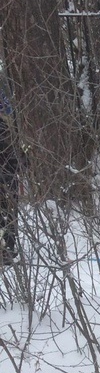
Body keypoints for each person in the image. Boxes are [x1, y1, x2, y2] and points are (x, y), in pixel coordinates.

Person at [0, 89, 20, 267]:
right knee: (8, 215)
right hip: (6, 178)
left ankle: (7, 250)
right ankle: (6, 252)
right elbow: (11, 154)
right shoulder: (3, 129)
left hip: (8, 176)